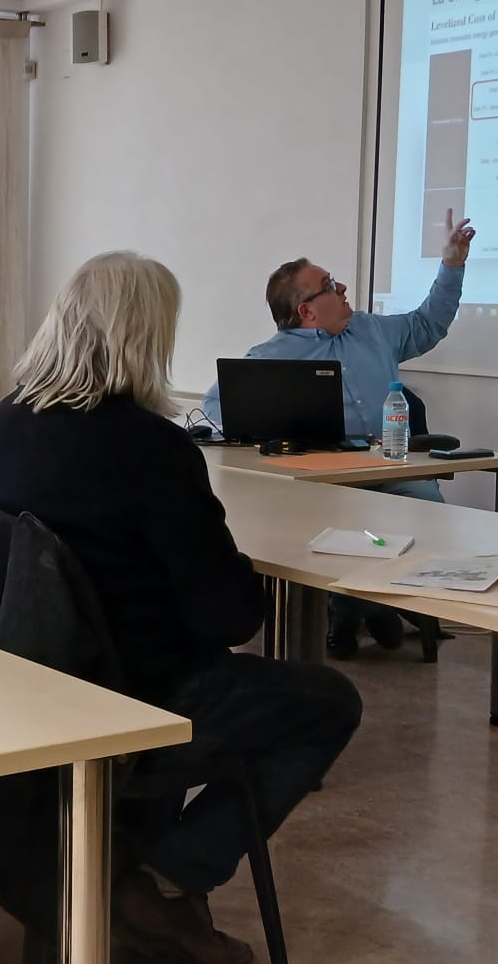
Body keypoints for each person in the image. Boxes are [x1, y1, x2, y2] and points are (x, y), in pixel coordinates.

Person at [0, 251, 361, 964]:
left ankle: (127, 875)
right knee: (327, 701)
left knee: (175, 663)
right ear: (148, 338)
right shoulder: (151, 448)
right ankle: (164, 880)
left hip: (23, 688)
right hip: (130, 700)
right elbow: (228, 617)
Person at [199, 211, 477, 654]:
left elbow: (428, 324)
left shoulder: (371, 330)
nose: (343, 288)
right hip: (315, 480)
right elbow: (216, 411)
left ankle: (353, 609)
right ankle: (362, 609)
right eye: (330, 285)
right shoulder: (268, 358)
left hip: (384, 468)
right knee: (313, 527)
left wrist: (452, 265)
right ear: (306, 310)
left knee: (426, 506)